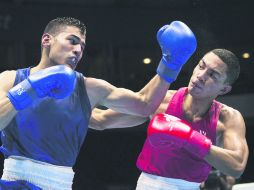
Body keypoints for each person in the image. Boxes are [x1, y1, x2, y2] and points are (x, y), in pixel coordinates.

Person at [0, 17, 197, 189]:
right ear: (46, 40)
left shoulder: (88, 88)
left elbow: (143, 104)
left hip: (59, 183)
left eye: (82, 47)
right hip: (14, 181)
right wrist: (31, 87)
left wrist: (171, 64)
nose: (77, 50)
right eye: (72, 41)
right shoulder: (11, 79)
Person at [90, 48, 249, 190]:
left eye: (212, 75)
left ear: (224, 89)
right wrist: (68, 103)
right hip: (148, 185)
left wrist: (189, 138)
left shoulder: (227, 118)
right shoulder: (160, 101)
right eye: (201, 66)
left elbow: (237, 166)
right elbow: (100, 120)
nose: (200, 76)